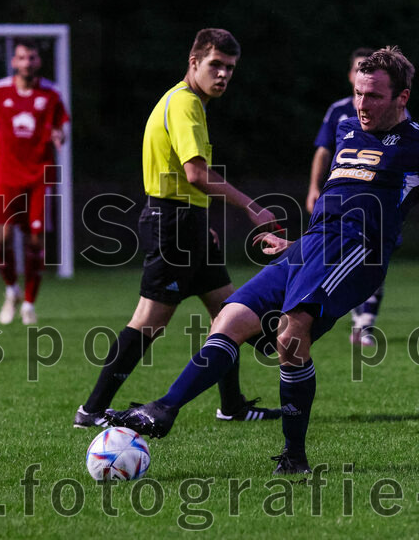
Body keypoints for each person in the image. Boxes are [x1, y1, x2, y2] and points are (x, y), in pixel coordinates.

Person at [109, 46, 419, 474]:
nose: (362, 105)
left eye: (374, 96)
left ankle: (293, 454)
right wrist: (297, 245)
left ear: (402, 97)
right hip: (312, 247)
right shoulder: (347, 129)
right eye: (358, 93)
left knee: (291, 335)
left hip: (359, 253)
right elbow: (338, 205)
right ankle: (164, 409)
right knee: (229, 318)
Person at [73, 28, 282, 429]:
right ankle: (92, 411)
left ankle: (233, 405)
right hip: (172, 224)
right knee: (149, 321)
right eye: (215, 65)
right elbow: (196, 174)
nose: (223, 74)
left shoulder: (188, 103)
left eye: (230, 68)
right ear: (194, 62)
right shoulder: (185, 103)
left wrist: (202, 228)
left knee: (229, 313)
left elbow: (188, 182)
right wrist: (252, 206)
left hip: (188, 223)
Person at [0, 38, 68, 326]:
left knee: (36, 241)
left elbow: (61, 128)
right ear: (14, 61)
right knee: (1, 240)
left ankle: (28, 303)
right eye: (22, 58)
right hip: (6, 176)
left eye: (32, 57)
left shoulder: (52, 93)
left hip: (39, 176)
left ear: (39, 61)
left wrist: (59, 135)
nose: (27, 63)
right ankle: (11, 289)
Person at [305, 48, 399, 346]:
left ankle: (364, 324)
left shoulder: (391, 111)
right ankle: (312, 317)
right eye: (359, 68)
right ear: (351, 75)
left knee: (371, 259)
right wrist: (314, 187)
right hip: (340, 197)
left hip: (373, 201)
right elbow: (323, 150)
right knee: (331, 258)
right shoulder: (340, 112)